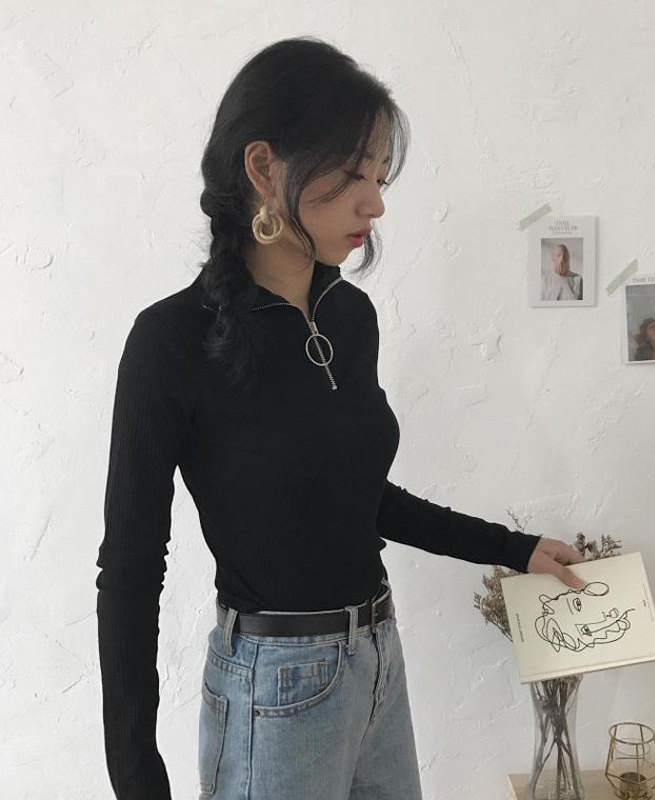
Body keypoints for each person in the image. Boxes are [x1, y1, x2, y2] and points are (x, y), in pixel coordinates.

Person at [95, 36, 586, 800]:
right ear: (264, 168)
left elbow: (360, 498)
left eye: (380, 176)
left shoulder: (350, 317)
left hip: (378, 661)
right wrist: (136, 780)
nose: (376, 202)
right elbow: (130, 567)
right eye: (354, 173)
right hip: (275, 690)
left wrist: (515, 550)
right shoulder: (172, 341)